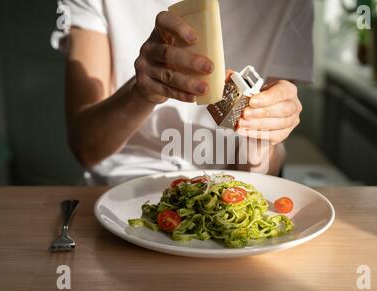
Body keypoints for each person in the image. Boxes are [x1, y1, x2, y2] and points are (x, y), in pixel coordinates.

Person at [52, 0, 313, 185]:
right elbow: (85, 147)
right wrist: (141, 92)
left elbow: (255, 168)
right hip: (116, 190)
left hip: (225, 188)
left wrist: (261, 136)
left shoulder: (287, 4)